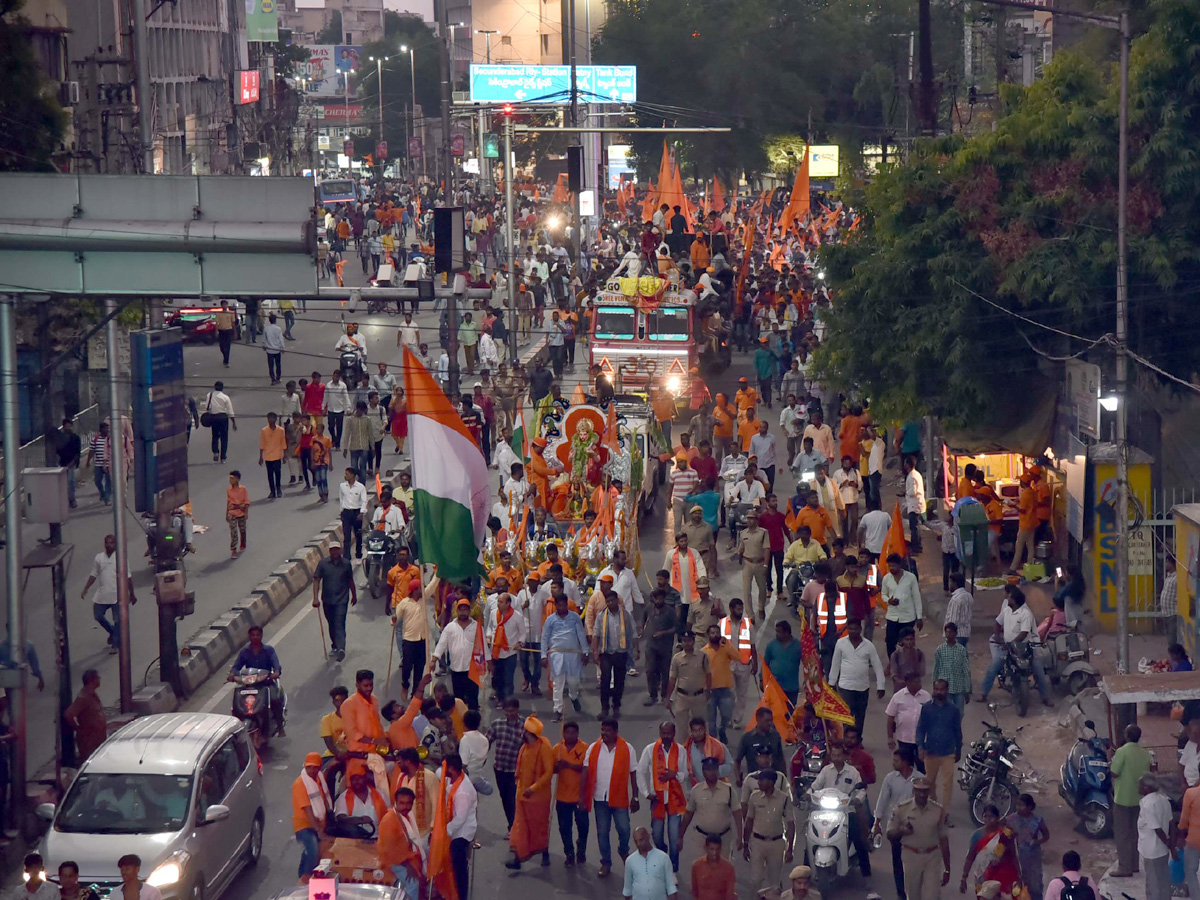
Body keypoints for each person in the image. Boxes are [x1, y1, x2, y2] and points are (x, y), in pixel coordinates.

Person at [581, 717, 640, 878]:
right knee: (602, 832)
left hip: (619, 798)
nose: (604, 733)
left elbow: (633, 773)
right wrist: (582, 796)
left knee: (624, 829)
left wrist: (635, 796)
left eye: (608, 730)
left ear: (615, 732)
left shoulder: (627, 748)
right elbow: (585, 772)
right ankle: (605, 862)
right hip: (600, 798)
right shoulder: (593, 748)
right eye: (602, 730)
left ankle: (623, 849)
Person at [979, 585, 1052, 706]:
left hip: (1026, 647)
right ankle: (983, 693)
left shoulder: (1026, 614)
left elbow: (1024, 633)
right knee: (995, 665)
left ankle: (1045, 698)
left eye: (1009, 598)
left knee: (1038, 669)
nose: (1007, 599)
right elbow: (997, 623)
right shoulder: (1007, 610)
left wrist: (1012, 644)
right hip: (1008, 647)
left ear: (1015, 601)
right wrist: (998, 638)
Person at [810, 740, 869, 875]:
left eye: (838, 755)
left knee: (859, 841)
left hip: (847, 812)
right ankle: (806, 873)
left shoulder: (853, 772)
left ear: (845, 756)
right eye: (833, 755)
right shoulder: (826, 771)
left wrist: (857, 800)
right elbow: (815, 786)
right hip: (825, 812)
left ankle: (867, 876)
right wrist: (809, 795)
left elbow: (862, 790)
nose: (836, 758)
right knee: (811, 838)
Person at [887, 776, 951, 900]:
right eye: (918, 790)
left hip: (932, 856)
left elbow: (944, 839)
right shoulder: (902, 809)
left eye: (925, 791)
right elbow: (890, 833)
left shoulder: (938, 810)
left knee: (932, 896)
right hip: (911, 856)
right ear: (913, 791)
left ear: (929, 791)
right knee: (913, 895)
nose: (922, 794)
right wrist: (902, 831)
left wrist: (947, 869)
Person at [638, 721, 688, 872]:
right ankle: (662, 851)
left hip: (674, 798)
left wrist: (675, 775)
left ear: (674, 733)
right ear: (660, 733)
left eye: (669, 733)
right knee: (657, 835)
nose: (666, 736)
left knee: (674, 837)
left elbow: (685, 773)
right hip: (657, 799)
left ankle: (672, 867)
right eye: (663, 733)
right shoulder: (650, 749)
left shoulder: (681, 750)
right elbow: (640, 771)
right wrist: (646, 793)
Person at [507, 715, 555, 870]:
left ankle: (544, 852)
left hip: (538, 798)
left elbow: (548, 772)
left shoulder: (544, 747)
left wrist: (532, 788)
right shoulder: (525, 747)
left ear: (529, 733)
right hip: (522, 794)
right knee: (520, 826)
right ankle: (518, 858)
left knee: (539, 826)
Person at [743, 768, 797, 894]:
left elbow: (790, 823)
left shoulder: (783, 799)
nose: (759, 783)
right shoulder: (754, 797)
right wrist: (746, 844)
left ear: (771, 782)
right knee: (756, 880)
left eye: (762, 780)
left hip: (777, 843)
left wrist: (790, 849)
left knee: (775, 883)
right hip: (757, 842)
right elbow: (749, 821)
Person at [874, 746, 917, 900]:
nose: (893, 763)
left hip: (915, 828)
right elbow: (882, 801)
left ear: (905, 762)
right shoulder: (890, 779)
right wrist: (877, 823)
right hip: (896, 827)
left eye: (896, 760)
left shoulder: (919, 779)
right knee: (898, 862)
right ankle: (901, 894)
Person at [829, 618, 885, 736]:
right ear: (847, 629)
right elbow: (835, 664)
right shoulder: (841, 643)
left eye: (855, 629)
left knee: (860, 717)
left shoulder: (868, 646)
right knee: (846, 717)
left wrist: (881, 686)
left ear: (860, 629)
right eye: (850, 629)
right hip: (845, 687)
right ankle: (846, 740)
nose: (853, 631)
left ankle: (858, 740)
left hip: (862, 687)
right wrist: (831, 683)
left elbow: (877, 666)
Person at [680, 757, 743, 856]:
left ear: (718, 771)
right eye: (708, 769)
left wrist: (740, 836)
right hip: (701, 838)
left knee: (722, 868)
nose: (711, 772)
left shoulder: (729, 790)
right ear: (703, 772)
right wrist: (680, 836)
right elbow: (688, 814)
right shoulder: (696, 791)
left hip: (723, 838)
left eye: (714, 769)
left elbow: (737, 814)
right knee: (701, 868)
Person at [228, 625, 284, 735]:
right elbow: (236, 666)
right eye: (253, 635)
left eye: (258, 635)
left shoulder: (268, 650)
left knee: (275, 699)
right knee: (237, 702)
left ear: (261, 636)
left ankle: (280, 725)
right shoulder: (245, 652)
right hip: (249, 684)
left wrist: (276, 673)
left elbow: (276, 664)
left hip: (266, 683)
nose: (255, 637)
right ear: (249, 636)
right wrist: (232, 675)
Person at [542, 593, 590, 721]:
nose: (562, 607)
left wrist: (585, 651)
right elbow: (545, 638)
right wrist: (543, 655)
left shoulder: (575, 617)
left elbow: (581, 634)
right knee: (558, 683)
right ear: (556, 605)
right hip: (556, 654)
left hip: (573, 654)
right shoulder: (550, 620)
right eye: (559, 605)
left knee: (574, 681)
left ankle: (573, 696)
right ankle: (557, 709)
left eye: (564, 605)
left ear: (567, 605)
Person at [916, 678, 962, 810]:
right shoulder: (926, 708)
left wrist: (958, 749)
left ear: (947, 691)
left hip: (948, 752)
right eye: (936, 689)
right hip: (931, 751)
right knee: (929, 784)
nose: (938, 692)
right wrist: (920, 746)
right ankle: (933, 808)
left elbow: (957, 730)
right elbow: (921, 728)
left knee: (947, 784)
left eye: (941, 689)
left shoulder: (953, 710)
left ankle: (945, 813)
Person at [593, 587, 638, 718]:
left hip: (621, 652)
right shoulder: (601, 616)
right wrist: (595, 651)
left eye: (612, 601)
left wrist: (636, 648)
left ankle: (616, 706)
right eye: (608, 601)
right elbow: (596, 634)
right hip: (606, 652)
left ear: (617, 600)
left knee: (619, 681)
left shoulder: (626, 615)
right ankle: (604, 708)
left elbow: (634, 632)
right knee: (605, 681)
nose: (610, 603)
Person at [960, 803, 1021, 896]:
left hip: (1002, 876)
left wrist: (1019, 876)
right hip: (983, 877)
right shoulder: (977, 835)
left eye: (991, 817)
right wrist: (964, 878)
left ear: (997, 818)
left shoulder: (1005, 834)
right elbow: (970, 857)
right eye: (985, 816)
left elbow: (1013, 856)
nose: (988, 820)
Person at [441, 754, 478, 900]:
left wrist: (444, 831)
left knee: (459, 869)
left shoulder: (462, 791)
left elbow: (460, 819)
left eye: (445, 768)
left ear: (451, 769)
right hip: (456, 828)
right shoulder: (456, 778)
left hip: (461, 834)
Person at [378, 786, 425, 900]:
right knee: (413, 883)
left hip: (405, 857)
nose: (405, 807)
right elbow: (391, 851)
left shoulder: (406, 816)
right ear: (396, 802)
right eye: (402, 803)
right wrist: (408, 865)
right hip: (393, 860)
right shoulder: (389, 820)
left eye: (409, 803)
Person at [554, 720, 590, 866]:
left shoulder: (585, 748)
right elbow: (552, 770)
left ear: (577, 733)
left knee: (583, 826)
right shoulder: (557, 748)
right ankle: (569, 853)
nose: (570, 735)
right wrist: (557, 767)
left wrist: (569, 765)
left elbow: (586, 769)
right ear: (563, 733)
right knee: (564, 828)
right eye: (567, 732)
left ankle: (581, 849)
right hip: (562, 797)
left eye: (573, 732)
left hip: (579, 797)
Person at [434, 599, 482, 710]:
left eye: (465, 610)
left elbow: (482, 645)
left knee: (473, 697)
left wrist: (488, 662)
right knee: (459, 698)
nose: (463, 612)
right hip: (456, 668)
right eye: (461, 610)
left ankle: (473, 721)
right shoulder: (450, 627)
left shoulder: (476, 626)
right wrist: (434, 660)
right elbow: (441, 644)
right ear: (457, 611)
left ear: (469, 611)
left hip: (473, 668)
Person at [312, 543, 356, 661]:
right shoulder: (323, 564)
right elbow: (316, 580)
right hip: (327, 599)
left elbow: (350, 580)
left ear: (340, 550)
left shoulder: (346, 564)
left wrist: (354, 595)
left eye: (337, 550)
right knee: (331, 624)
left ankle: (341, 648)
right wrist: (315, 598)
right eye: (333, 550)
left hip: (342, 599)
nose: (335, 552)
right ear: (329, 551)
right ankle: (335, 646)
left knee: (339, 622)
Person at [81, 534, 125, 654]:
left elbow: (128, 576)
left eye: (111, 543)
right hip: (103, 594)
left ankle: (115, 645)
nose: (109, 545)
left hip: (117, 595)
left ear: (115, 544)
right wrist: (86, 588)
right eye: (107, 543)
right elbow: (94, 574)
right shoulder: (99, 558)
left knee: (117, 620)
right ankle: (113, 633)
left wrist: (131, 594)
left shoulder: (120, 558)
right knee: (98, 616)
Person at [292, 752, 332, 878]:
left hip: (319, 823)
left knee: (308, 852)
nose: (312, 770)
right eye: (309, 767)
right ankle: (307, 878)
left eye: (315, 767)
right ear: (305, 766)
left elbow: (324, 798)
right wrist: (318, 830)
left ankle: (302, 875)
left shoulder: (319, 778)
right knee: (313, 850)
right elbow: (308, 809)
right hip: (305, 826)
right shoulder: (299, 784)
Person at [719, 597, 758, 725]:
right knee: (730, 693)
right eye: (738, 609)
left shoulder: (748, 624)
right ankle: (729, 717)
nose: (741, 611)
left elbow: (753, 646)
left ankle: (737, 719)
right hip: (727, 664)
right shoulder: (722, 624)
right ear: (731, 609)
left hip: (744, 664)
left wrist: (755, 663)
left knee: (742, 694)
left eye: (741, 609)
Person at [666, 631, 711, 735]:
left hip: (698, 696)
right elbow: (672, 679)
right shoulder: (676, 658)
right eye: (684, 641)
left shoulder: (702, 656)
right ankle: (683, 750)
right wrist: (668, 698)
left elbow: (708, 674)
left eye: (689, 641)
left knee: (700, 727)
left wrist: (708, 690)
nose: (687, 643)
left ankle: (701, 749)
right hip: (682, 697)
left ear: (693, 641)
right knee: (681, 729)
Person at [1006, 793, 1049, 900]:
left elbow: (1046, 835)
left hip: (1033, 858)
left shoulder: (1038, 820)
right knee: (1018, 885)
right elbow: (1005, 838)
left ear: (1029, 807)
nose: (1018, 808)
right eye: (1017, 805)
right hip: (1017, 857)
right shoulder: (1011, 820)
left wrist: (1037, 842)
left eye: (1022, 805)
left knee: (1035, 886)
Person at [486, 592, 526, 704]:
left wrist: (520, 643)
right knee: (498, 678)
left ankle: (508, 702)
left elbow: (523, 633)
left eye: (501, 602)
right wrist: (488, 637)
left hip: (510, 653)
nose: (498, 604)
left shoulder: (517, 616)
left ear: (508, 603)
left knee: (508, 679)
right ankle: (500, 699)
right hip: (496, 652)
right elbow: (489, 627)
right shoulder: (494, 613)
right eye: (498, 601)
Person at [1138, 774, 1174, 900]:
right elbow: (1171, 824)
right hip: (1162, 850)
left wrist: (1168, 843)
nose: (1139, 787)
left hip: (1152, 850)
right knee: (1163, 880)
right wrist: (1171, 846)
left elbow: (1157, 829)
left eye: (1140, 785)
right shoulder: (1164, 800)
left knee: (1153, 884)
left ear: (1147, 788)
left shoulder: (1148, 805)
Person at [332, 758, 388, 837]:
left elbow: (390, 816)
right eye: (353, 779)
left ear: (365, 778)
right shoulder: (343, 797)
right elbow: (340, 818)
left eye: (359, 778)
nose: (356, 781)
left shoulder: (381, 795)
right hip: (355, 840)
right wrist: (360, 820)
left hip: (379, 838)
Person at [702, 624, 738, 744]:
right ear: (708, 635)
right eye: (712, 633)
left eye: (717, 632)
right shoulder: (703, 652)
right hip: (710, 691)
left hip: (725, 690)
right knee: (711, 720)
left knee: (726, 716)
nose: (715, 635)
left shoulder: (725, 648)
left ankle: (722, 730)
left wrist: (727, 644)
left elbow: (738, 656)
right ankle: (713, 742)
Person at [882, 553, 924, 658]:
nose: (891, 568)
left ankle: (908, 664)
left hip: (908, 617)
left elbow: (916, 597)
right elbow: (883, 594)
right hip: (892, 616)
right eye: (890, 566)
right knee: (890, 643)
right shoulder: (886, 578)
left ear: (900, 564)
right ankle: (893, 664)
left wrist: (919, 617)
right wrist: (888, 601)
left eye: (894, 566)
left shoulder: (911, 578)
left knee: (907, 643)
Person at [643, 590, 679, 706]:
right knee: (650, 670)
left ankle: (664, 696)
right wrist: (642, 630)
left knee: (665, 671)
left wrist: (663, 633)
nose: (658, 601)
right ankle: (652, 695)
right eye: (656, 598)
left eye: (660, 598)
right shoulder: (649, 608)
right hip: (651, 645)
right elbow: (643, 620)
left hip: (665, 646)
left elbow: (676, 628)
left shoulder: (670, 611)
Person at [623, 825, 678, 900]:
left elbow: (671, 886)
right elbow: (627, 888)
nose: (639, 844)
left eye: (641, 840)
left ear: (648, 836)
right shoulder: (630, 861)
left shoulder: (663, 858)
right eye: (636, 841)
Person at [886, 672, 931, 763]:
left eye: (920, 681)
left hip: (922, 740)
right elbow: (890, 718)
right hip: (904, 739)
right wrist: (890, 737)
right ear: (908, 683)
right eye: (917, 682)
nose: (920, 684)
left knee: (922, 767)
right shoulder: (897, 697)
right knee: (906, 765)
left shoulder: (926, 696)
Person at [735, 510, 771, 618]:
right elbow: (741, 547)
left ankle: (761, 607)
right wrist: (737, 553)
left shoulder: (763, 533)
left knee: (762, 588)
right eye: (748, 518)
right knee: (746, 590)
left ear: (756, 520)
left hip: (759, 563)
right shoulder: (743, 533)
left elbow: (767, 548)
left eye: (752, 518)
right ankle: (750, 614)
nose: (749, 520)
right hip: (747, 563)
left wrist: (766, 564)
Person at [64, 669, 106, 762]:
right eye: (97, 678)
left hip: (98, 739)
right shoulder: (83, 697)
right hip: (89, 741)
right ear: (92, 680)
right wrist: (78, 729)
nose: (99, 680)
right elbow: (69, 714)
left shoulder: (93, 695)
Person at [736, 707, 786, 779]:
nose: (770, 723)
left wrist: (784, 777)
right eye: (767, 720)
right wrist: (738, 777)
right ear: (758, 719)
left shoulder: (775, 736)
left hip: (773, 781)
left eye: (771, 720)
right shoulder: (747, 738)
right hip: (754, 780)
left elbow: (781, 758)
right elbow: (737, 760)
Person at [763, 620, 803, 706]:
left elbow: (807, 663)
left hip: (792, 687)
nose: (776, 634)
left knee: (790, 712)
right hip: (775, 687)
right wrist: (761, 679)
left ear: (787, 632)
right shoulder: (771, 645)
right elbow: (765, 663)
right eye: (776, 631)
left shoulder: (798, 646)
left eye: (779, 632)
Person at [690, 833, 737, 900]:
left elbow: (730, 895)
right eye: (711, 849)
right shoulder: (696, 866)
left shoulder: (729, 868)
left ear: (721, 848)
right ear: (705, 848)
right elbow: (695, 892)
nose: (714, 853)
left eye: (717, 849)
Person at [203, 380, 237, 463]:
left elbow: (207, 407)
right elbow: (230, 411)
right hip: (223, 418)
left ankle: (215, 452)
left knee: (215, 435)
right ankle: (223, 457)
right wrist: (233, 423)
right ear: (222, 388)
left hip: (214, 417)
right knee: (224, 438)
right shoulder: (225, 397)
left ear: (215, 387)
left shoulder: (209, 395)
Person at [338, 467, 368, 559]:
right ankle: (347, 557)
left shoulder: (360, 487)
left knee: (358, 535)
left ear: (352, 475)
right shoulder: (342, 486)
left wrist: (362, 512)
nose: (345, 476)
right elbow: (341, 499)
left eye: (347, 474)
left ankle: (358, 554)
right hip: (346, 513)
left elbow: (364, 501)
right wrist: (341, 511)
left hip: (356, 513)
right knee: (346, 536)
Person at [54, 418, 82, 508]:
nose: (67, 428)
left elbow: (78, 452)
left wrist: (73, 462)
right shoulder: (61, 438)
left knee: (70, 482)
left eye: (69, 426)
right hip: (62, 462)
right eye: (66, 426)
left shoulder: (75, 438)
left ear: (72, 426)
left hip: (71, 463)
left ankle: (72, 500)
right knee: (62, 483)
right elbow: (57, 450)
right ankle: (63, 500)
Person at [888, 627, 926, 692]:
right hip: (900, 689)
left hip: (915, 688)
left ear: (914, 640)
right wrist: (903, 682)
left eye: (911, 639)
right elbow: (894, 673)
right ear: (902, 640)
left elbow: (922, 672)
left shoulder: (919, 653)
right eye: (906, 639)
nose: (909, 642)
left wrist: (913, 682)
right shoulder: (896, 655)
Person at [85, 420, 112, 504]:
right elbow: (92, 451)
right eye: (105, 428)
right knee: (97, 481)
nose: (107, 430)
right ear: (101, 429)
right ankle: (103, 494)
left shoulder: (111, 439)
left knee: (108, 482)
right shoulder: (96, 439)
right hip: (98, 464)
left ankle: (107, 498)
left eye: (108, 428)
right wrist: (88, 461)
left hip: (108, 464)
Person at [903, 455, 926, 553]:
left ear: (907, 465)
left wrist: (905, 492)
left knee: (914, 527)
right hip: (916, 504)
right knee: (915, 527)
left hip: (914, 504)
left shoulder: (912, 476)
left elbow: (913, 491)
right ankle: (916, 545)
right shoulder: (916, 474)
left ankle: (916, 547)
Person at [225, 470, 249, 558]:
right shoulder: (229, 490)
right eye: (230, 478)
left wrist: (246, 513)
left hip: (241, 512)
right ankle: (233, 549)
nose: (230, 480)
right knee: (233, 531)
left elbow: (246, 502)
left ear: (237, 479)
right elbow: (228, 502)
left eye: (232, 478)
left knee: (242, 529)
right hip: (232, 512)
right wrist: (226, 514)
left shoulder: (243, 489)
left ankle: (243, 542)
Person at [944, 573, 973, 645]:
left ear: (955, 583)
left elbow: (953, 621)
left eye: (951, 582)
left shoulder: (956, 599)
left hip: (957, 635)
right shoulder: (969, 596)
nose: (950, 584)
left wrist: (949, 636)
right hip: (966, 633)